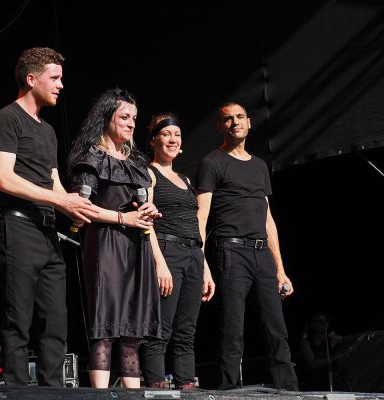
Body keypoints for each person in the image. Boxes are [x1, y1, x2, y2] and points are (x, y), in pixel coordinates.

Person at [0, 47, 98, 387]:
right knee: (18, 318)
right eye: (55, 78)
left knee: (56, 319)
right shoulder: (7, 118)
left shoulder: (47, 131)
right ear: (31, 79)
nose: (61, 85)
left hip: (47, 231)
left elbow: (52, 180)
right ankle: (18, 390)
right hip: (17, 225)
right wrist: (59, 201)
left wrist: (75, 203)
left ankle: (55, 392)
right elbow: (4, 178)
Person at [195, 102, 298, 391]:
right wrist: (202, 265)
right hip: (231, 250)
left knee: (276, 326)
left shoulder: (259, 165)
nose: (235, 122)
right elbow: (201, 217)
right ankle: (229, 390)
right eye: (227, 119)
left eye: (240, 117)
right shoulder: (212, 162)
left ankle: (289, 391)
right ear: (220, 127)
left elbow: (268, 220)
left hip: (261, 251)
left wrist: (281, 270)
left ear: (249, 123)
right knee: (232, 327)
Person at [66, 88, 163, 388]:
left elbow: (137, 205)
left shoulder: (135, 164)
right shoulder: (92, 158)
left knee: (132, 332)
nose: (131, 124)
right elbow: (83, 208)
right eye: (124, 117)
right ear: (106, 117)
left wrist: (147, 210)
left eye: (134, 118)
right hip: (106, 245)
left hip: (137, 247)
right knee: (105, 329)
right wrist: (124, 218)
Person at [140, 112, 216, 390]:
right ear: (154, 140)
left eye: (177, 135)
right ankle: (157, 384)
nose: (173, 139)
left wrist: (205, 267)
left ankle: (186, 383)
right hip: (167, 250)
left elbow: (196, 228)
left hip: (193, 254)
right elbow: (145, 224)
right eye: (166, 134)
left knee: (187, 329)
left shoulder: (185, 179)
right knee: (161, 326)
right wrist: (159, 262)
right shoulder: (148, 173)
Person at [299, 311, 342, 391]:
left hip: (331, 383)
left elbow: (349, 344)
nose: (319, 325)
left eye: (322, 322)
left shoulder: (333, 339)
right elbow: (312, 363)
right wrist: (334, 358)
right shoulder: (306, 341)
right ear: (311, 324)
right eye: (316, 322)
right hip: (311, 384)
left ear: (327, 324)